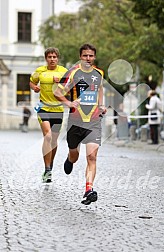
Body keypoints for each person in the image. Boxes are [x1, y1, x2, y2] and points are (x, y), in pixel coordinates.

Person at [54, 43, 107, 205]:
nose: (88, 58)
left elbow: (99, 89)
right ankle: (69, 159)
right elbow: (58, 92)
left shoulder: (99, 73)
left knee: (91, 157)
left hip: (93, 122)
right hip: (75, 122)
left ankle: (89, 189)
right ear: (80, 57)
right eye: (85, 55)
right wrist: (69, 104)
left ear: (94, 57)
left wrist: (101, 105)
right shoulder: (74, 73)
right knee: (75, 155)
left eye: (91, 56)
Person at [29, 47, 68, 182]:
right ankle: (47, 169)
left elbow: (70, 88)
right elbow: (32, 82)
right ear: (46, 59)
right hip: (43, 108)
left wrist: (62, 82)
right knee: (48, 136)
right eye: (49, 57)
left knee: (54, 141)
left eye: (54, 57)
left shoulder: (64, 72)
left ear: (58, 58)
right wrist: (35, 88)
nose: (52, 59)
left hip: (58, 110)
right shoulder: (40, 71)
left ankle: (50, 164)